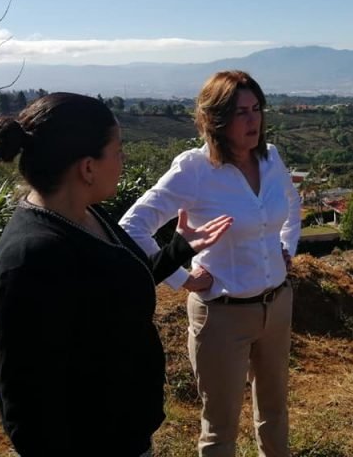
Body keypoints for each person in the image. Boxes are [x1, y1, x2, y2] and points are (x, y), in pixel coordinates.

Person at [0, 93, 233, 457]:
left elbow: (116, 287)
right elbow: (26, 405)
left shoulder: (86, 217)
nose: (123, 160)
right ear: (87, 168)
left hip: (126, 435)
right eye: (117, 151)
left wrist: (178, 249)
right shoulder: (29, 260)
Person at [120, 70, 301, 457]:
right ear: (216, 120)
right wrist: (182, 278)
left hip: (277, 305)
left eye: (257, 109)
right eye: (240, 113)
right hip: (221, 315)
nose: (253, 120)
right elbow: (132, 226)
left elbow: (292, 205)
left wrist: (286, 248)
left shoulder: (271, 160)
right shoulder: (195, 170)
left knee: (275, 411)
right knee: (220, 428)